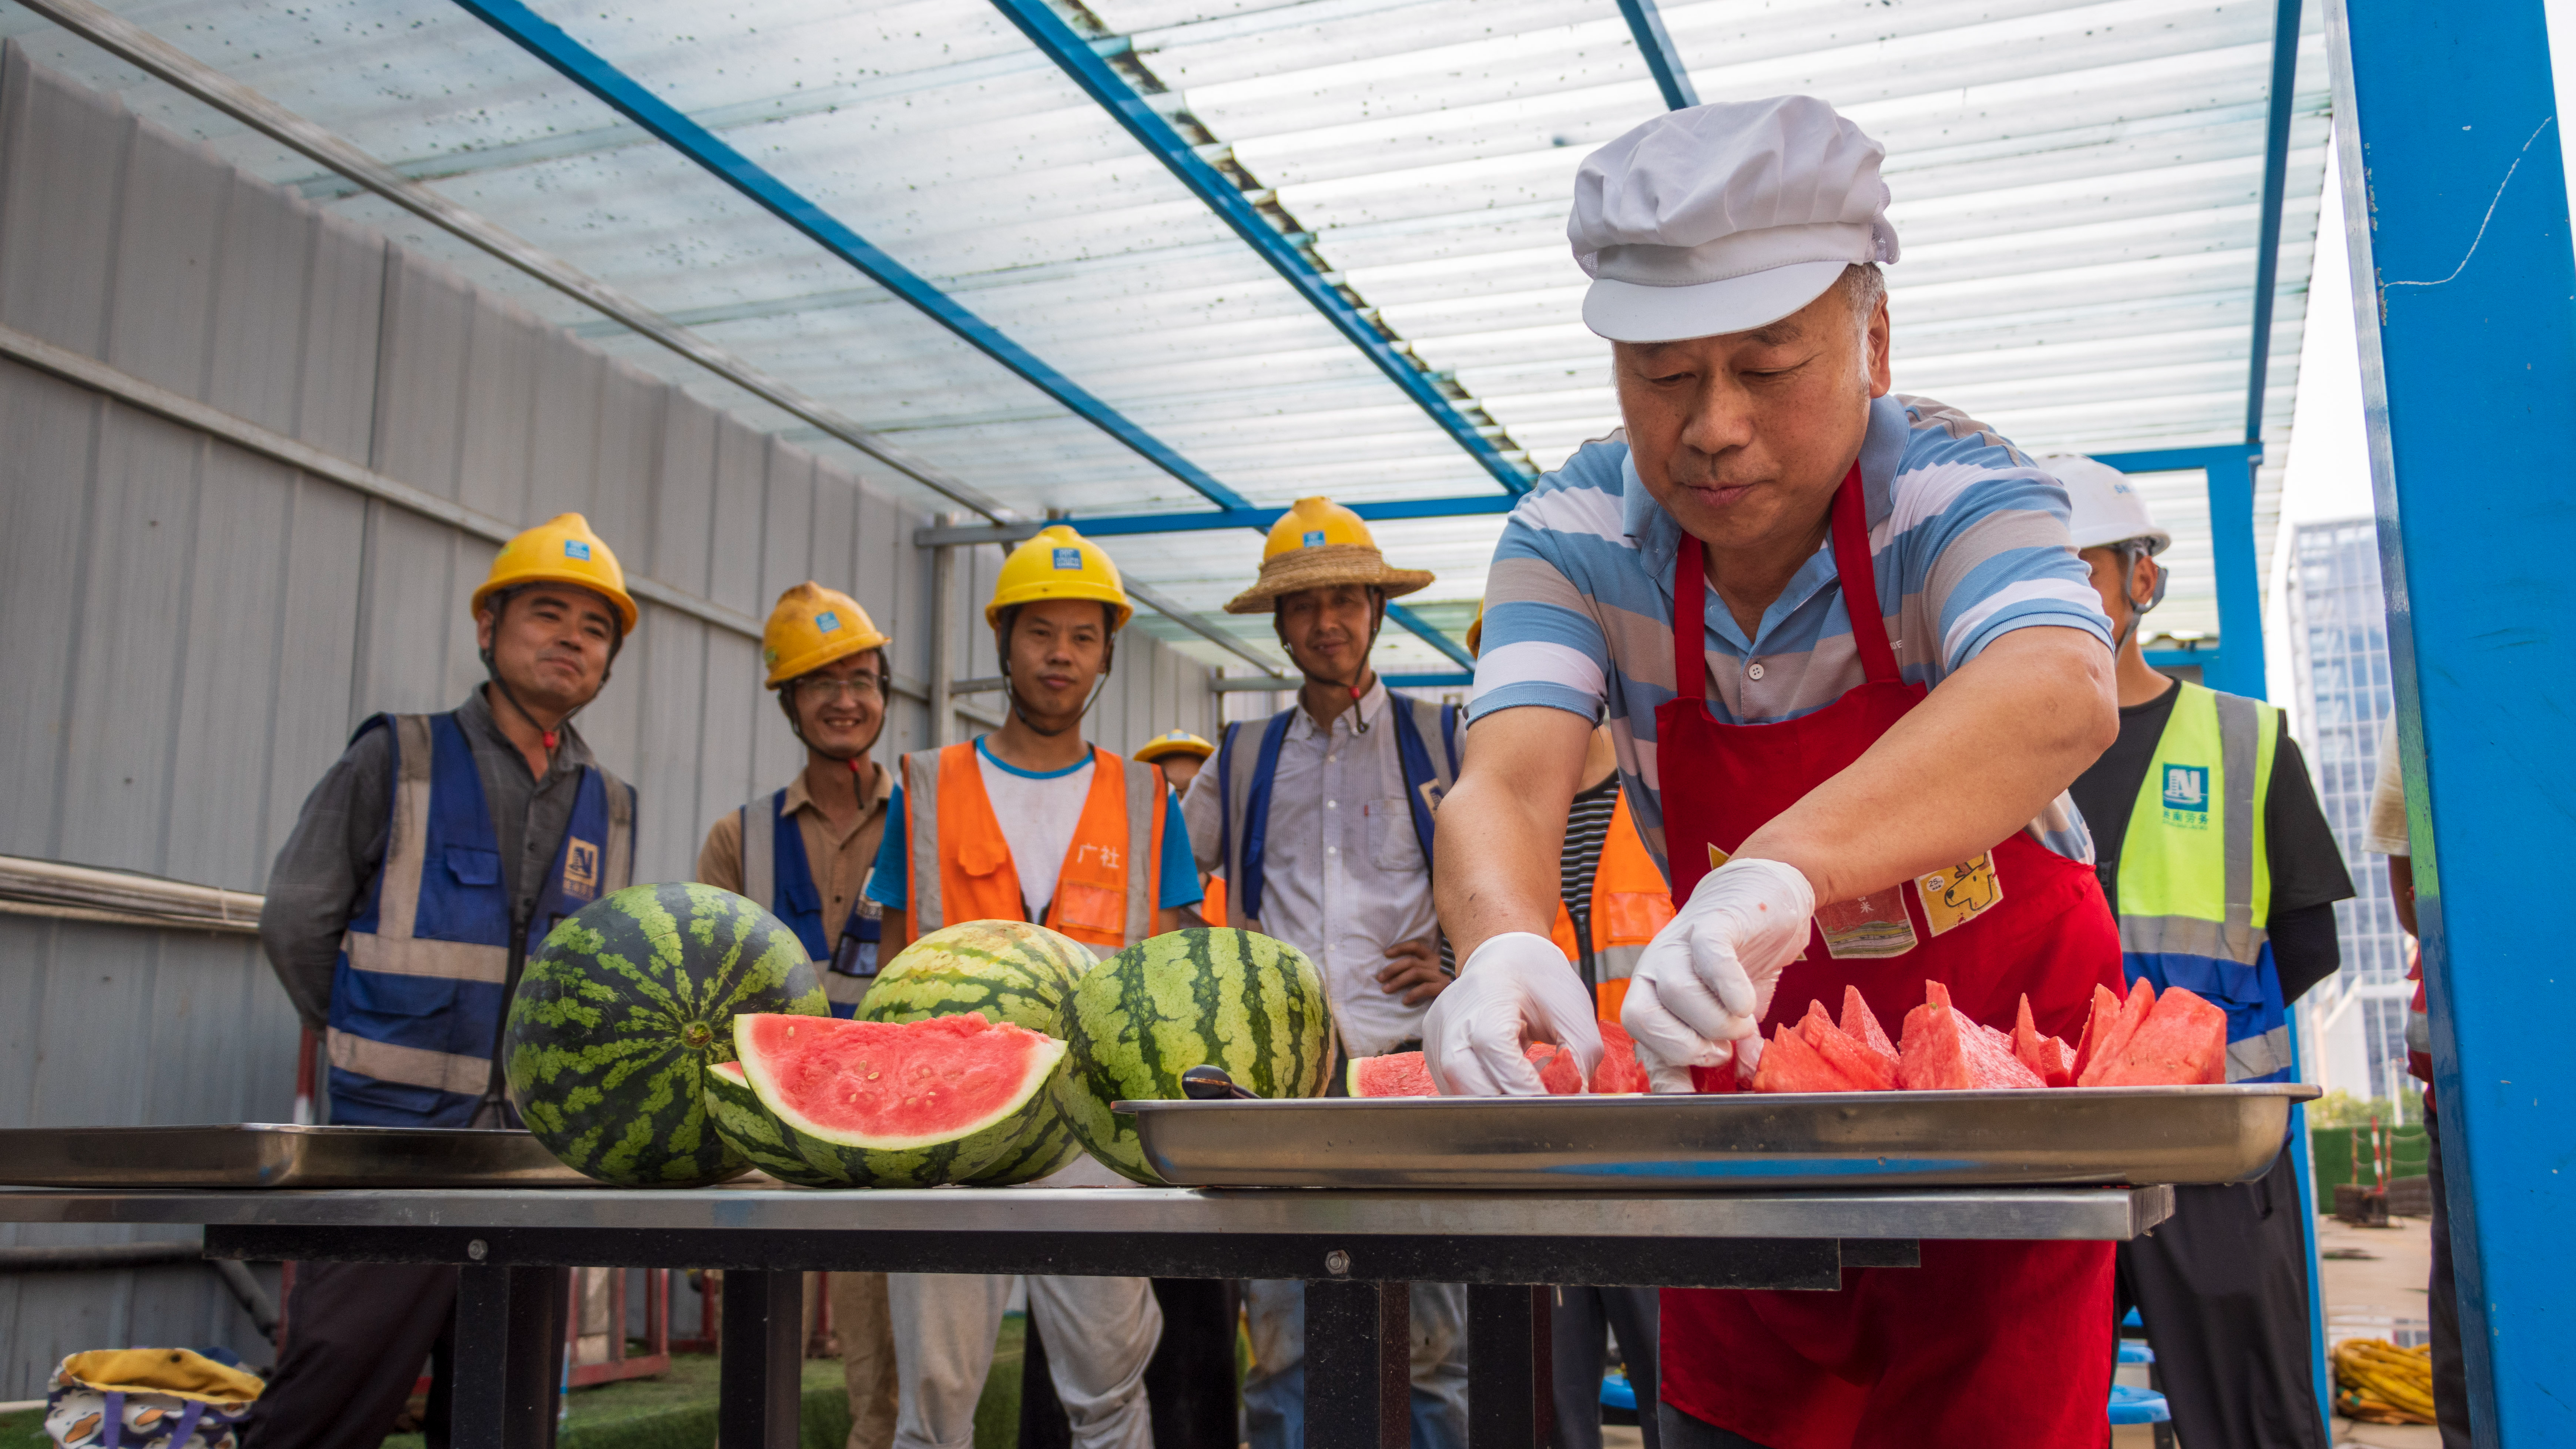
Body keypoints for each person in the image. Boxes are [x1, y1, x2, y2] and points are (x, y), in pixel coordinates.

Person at [1426, 97, 2130, 1449]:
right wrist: (1502, 938)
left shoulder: (1953, 487)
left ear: (1870, 339)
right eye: (1662, 374)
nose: (1710, 428)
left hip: (1994, 1093)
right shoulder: (1572, 528)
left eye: (1764, 364)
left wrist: (1778, 866)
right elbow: (1507, 779)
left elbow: (2054, 687)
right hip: (1735, 1072)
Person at [250, 513, 639, 1449]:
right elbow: (295, 922)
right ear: (488, 628)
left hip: (530, 1157)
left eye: (596, 629)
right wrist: (366, 1034)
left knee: (505, 1416)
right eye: (549, 614)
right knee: (329, 1393)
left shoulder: (611, 806)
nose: (572, 641)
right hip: (393, 1146)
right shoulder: (398, 755)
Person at [866, 524, 1197, 1449]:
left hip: (1093, 1131)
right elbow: (896, 977)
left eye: (1084, 636)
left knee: (1108, 1395)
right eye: (1041, 631)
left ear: (1105, 655)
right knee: (933, 1406)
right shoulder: (927, 785)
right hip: (948, 1129)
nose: (1061, 654)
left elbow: (1165, 982)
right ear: (1004, 643)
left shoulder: (1145, 799)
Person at [2051, 455, 2350, 1449]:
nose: (2055, 599)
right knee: (2016, 1410)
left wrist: (2186, 1037)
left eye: (2077, 568)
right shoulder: (1978, 757)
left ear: (2143, 578)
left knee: (2250, 1417)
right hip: (2038, 1152)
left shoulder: (2246, 740)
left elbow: (2307, 939)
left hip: (2208, 1147)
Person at [1183, 497, 1469, 1449]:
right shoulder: (1242, 755)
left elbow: (1501, 875)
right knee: (1283, 1337)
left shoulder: (1442, 739)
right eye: (1303, 606)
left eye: (1345, 599)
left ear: (1376, 610)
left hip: (1410, 1066)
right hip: (1282, 1085)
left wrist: (1460, 962)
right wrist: (1216, 997)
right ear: (1278, 625)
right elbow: (1178, 893)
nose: (1326, 623)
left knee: (1431, 1336)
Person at [694, 581, 900, 1449]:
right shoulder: (738, 837)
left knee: (884, 1351)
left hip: (895, 1116)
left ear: (885, 691)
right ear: (788, 700)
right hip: (766, 1123)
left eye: (860, 678)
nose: (844, 700)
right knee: (757, 1341)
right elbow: (699, 998)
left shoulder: (925, 821)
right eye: (820, 683)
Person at [1470, 604, 1671, 1449]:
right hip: (1536, 1157)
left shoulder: (1664, 797)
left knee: (1683, 1392)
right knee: (1545, 1408)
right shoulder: (1488, 824)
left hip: (1662, 1156)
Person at [2367, 722, 2466, 1447]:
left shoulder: (2430, 695)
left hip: (2472, 1088)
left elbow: (2413, 898)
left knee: (2479, 1313)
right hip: (2468, 1092)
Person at [1134, 730, 1222, 925]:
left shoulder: (1232, 900)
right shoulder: (1131, 896)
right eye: (1167, 791)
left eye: (1197, 792)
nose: (1179, 803)